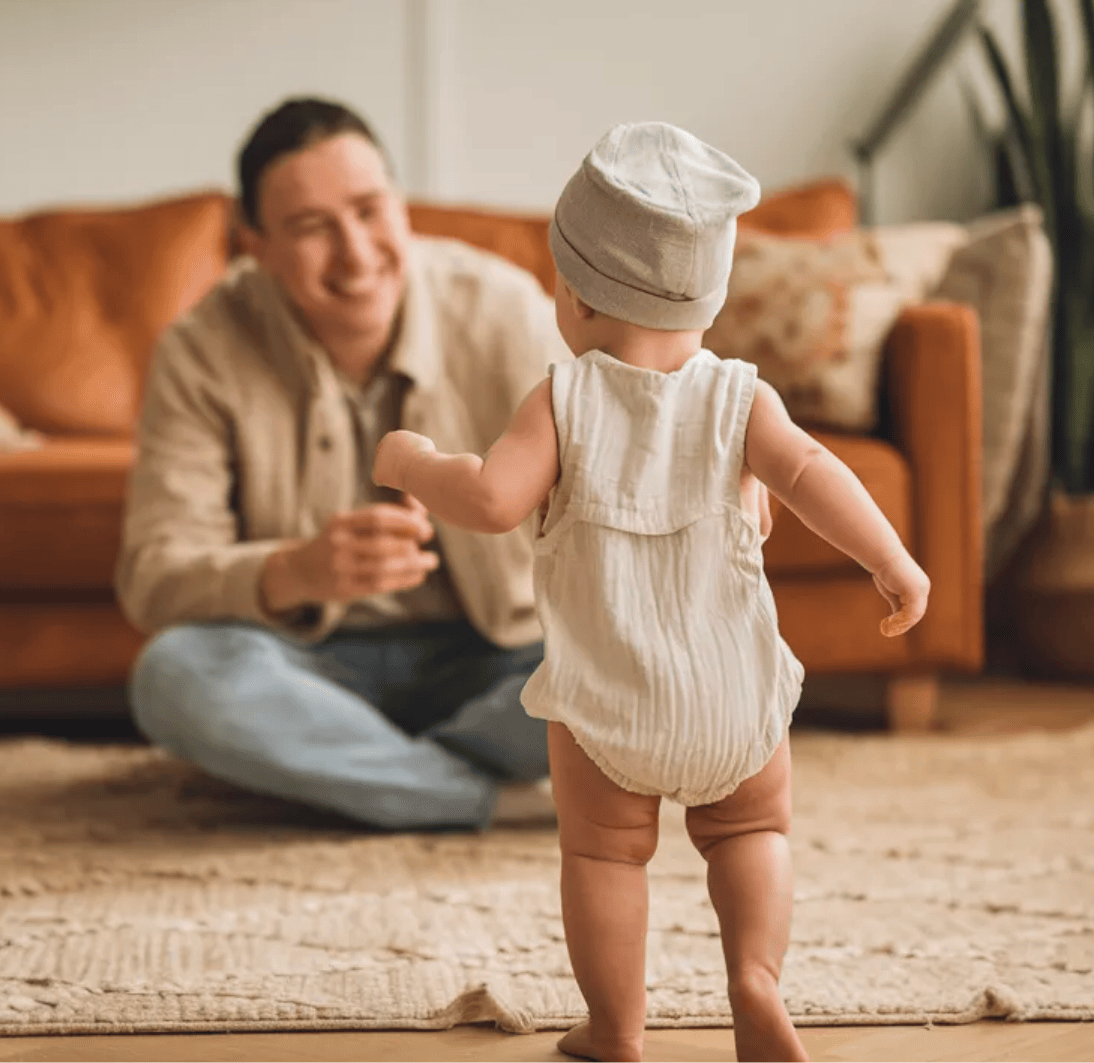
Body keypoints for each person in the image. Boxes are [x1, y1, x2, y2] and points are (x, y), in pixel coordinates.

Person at [373, 122, 932, 1063]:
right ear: (707, 302)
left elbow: (491, 498)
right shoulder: (742, 400)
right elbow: (812, 470)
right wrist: (893, 560)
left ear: (578, 299)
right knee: (753, 829)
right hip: (732, 692)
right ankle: (754, 979)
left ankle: (619, 1031)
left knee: (602, 856)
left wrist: (417, 464)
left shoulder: (561, 400)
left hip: (607, 696)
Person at [115, 97, 570, 831]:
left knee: (621, 661)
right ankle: (483, 795)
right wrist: (297, 570)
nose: (356, 253)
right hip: (304, 664)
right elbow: (154, 573)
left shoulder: (504, 309)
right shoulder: (198, 351)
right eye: (311, 228)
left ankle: (356, 774)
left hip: (500, 659)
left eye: (369, 210)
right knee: (173, 676)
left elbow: (619, 491)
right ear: (253, 245)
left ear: (401, 206)